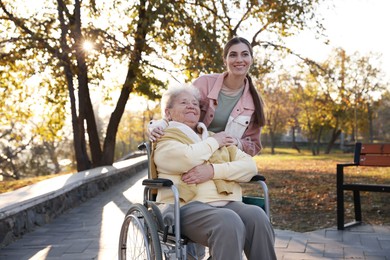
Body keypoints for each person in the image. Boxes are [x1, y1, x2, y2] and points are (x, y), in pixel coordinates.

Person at [152, 84, 276, 260]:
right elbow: (187, 158)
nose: (191, 106)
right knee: (228, 222)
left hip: (227, 202)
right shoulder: (165, 138)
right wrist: (215, 143)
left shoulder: (213, 137)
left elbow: (249, 166)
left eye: (195, 104)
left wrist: (213, 171)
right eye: (184, 102)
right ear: (168, 112)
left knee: (257, 216)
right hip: (185, 207)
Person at [149, 36, 266, 156]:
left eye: (245, 54)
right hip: (193, 151)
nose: (239, 59)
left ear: (251, 59)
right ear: (225, 60)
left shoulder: (254, 102)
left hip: (225, 159)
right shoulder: (204, 84)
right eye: (233, 55)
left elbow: (254, 146)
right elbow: (178, 110)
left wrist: (236, 142)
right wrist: (159, 126)